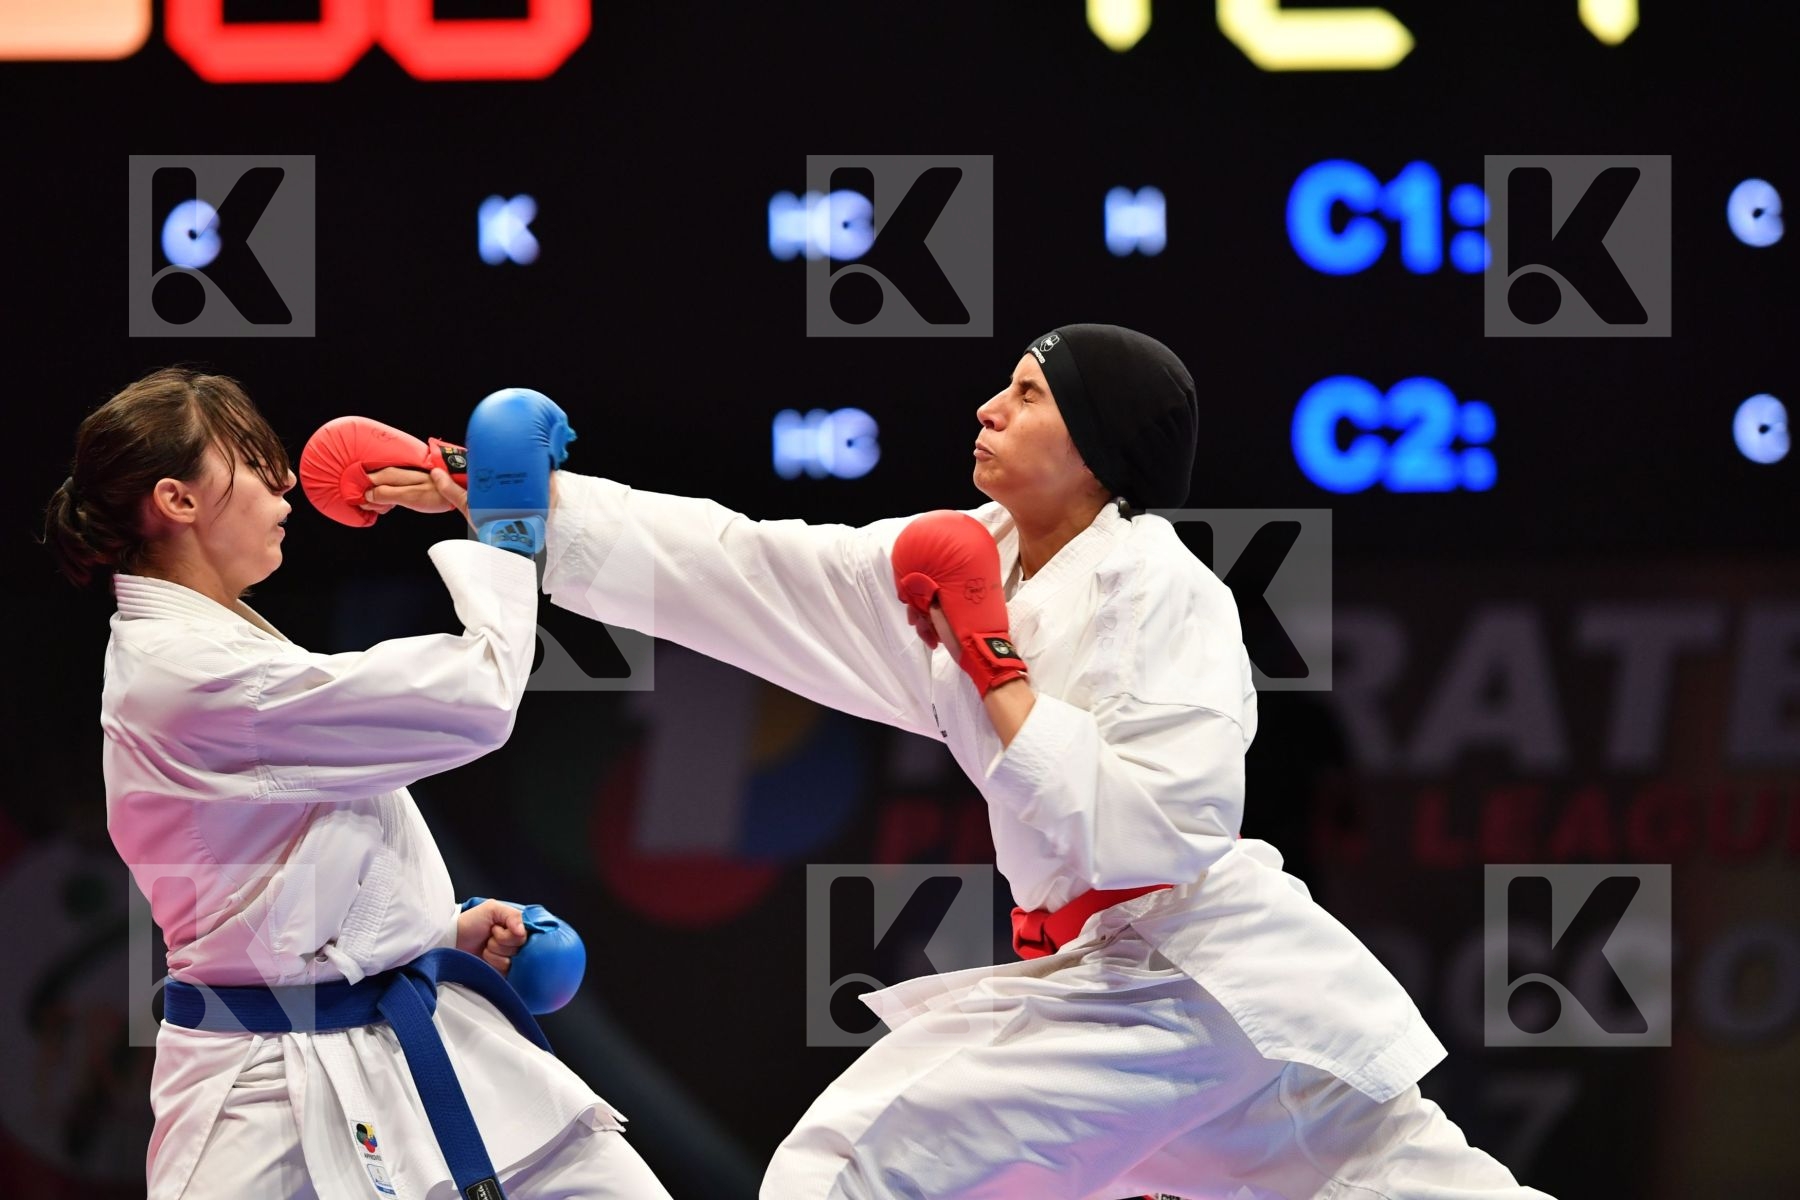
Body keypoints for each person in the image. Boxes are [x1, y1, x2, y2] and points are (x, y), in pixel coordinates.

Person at [370, 326, 1553, 1199]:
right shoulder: (971, 556)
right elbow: (755, 571)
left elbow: (1163, 830)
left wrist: (997, 676)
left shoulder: (1162, 589)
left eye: (1028, 394)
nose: (988, 407)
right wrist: (527, 507)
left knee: (846, 1169)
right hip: (1140, 988)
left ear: (1097, 447)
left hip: (1182, 982)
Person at [42, 367, 670, 1199]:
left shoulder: (218, 648)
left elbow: (283, 866)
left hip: (409, 1041)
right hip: (266, 1099)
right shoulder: (189, 672)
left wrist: (430, 933)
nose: (284, 481)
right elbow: (478, 700)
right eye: (251, 461)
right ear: (178, 499)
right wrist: (505, 530)